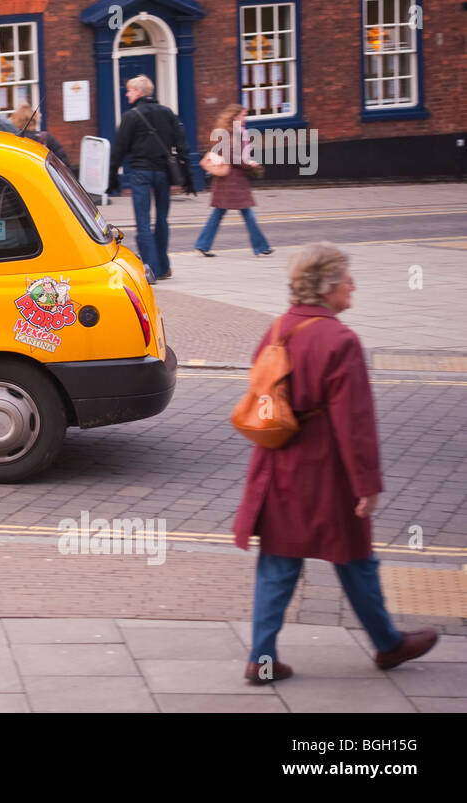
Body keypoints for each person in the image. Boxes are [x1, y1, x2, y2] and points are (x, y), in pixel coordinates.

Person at [232, 243, 437, 684]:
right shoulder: (341, 340)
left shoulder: (279, 329)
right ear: (327, 287)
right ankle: (387, 643)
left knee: (278, 563)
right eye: (347, 279)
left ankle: (261, 658)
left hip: (278, 466)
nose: (353, 286)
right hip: (327, 472)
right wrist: (367, 483)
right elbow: (355, 422)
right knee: (355, 558)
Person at [109, 75, 191, 280]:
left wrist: (112, 177)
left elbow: (119, 150)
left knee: (143, 222)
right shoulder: (168, 113)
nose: (127, 94)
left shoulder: (131, 116)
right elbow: (181, 144)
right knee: (162, 219)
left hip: (140, 174)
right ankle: (163, 266)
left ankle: (151, 268)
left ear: (138, 92)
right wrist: (188, 174)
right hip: (163, 173)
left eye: (129, 90)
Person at [194, 104, 273, 258]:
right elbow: (233, 157)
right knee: (247, 214)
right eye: (243, 115)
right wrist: (249, 164)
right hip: (232, 182)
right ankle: (261, 247)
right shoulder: (233, 134)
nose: (245, 118)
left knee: (220, 213)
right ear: (235, 117)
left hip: (230, 181)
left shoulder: (233, 132)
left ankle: (202, 245)